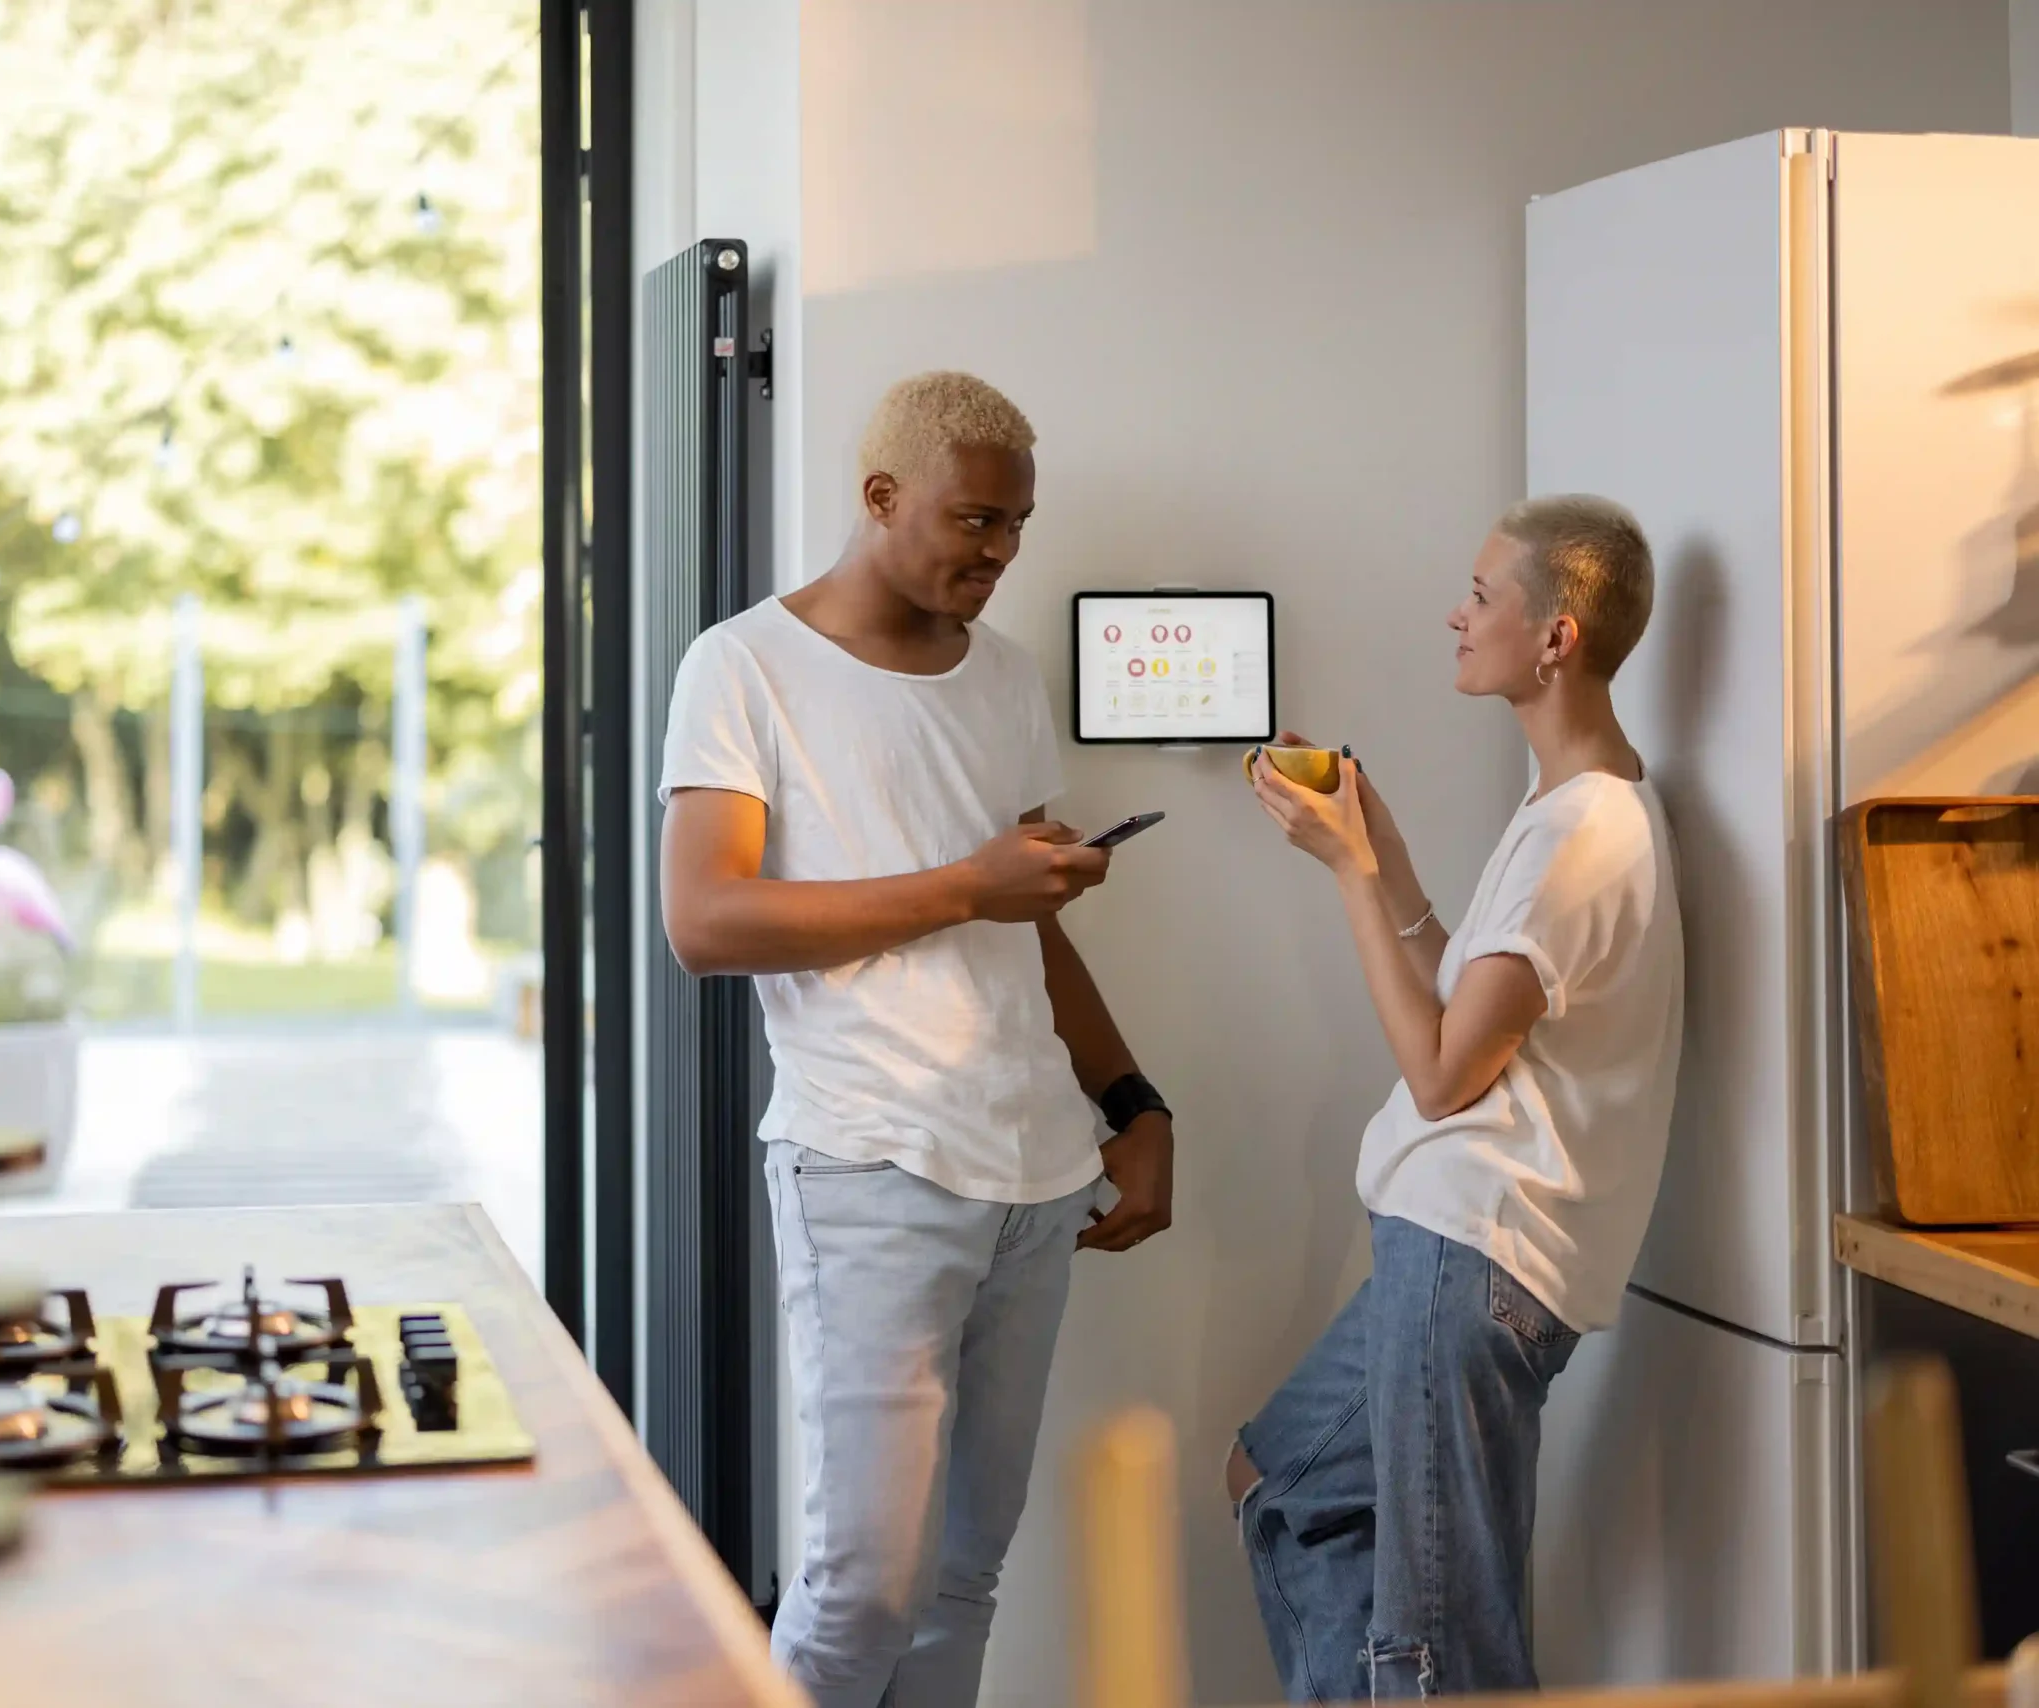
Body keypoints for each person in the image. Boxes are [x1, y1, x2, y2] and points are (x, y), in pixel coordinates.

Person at [659, 372, 1175, 1707]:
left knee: (963, 1582)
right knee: (859, 1591)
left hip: (1040, 1180)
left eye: (1017, 527)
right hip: (872, 1169)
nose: (1000, 554)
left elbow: (1030, 924)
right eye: (976, 521)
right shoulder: (743, 666)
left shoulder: (1005, 679)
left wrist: (1133, 1102)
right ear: (882, 499)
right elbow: (706, 921)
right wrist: (968, 884)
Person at [1230, 495, 1684, 1701]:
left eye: (1482, 595)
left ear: (1556, 637)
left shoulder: (1581, 832)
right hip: (1444, 1252)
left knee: (1439, 1642)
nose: (1455, 612)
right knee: (1277, 1487)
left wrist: (1344, 873)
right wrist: (1380, 855)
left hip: (1473, 1257)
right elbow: (1460, 989)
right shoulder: (1561, 813)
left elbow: (1439, 1073)